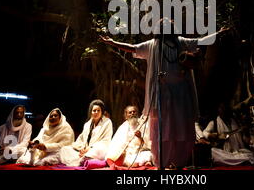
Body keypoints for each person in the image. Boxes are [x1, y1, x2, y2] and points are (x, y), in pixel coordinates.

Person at [100, 18, 229, 169]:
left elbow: (201, 41)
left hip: (181, 93)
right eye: (162, 25)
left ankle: (179, 162)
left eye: (167, 25)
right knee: (161, 130)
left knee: (181, 128)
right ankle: (163, 162)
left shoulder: (181, 42)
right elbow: (132, 48)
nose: (164, 27)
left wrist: (218, 34)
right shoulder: (152, 45)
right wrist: (112, 43)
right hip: (161, 94)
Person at [59, 100, 113, 167]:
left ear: (101, 112)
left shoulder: (107, 122)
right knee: (64, 149)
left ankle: (85, 158)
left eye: (98, 110)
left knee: (100, 149)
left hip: (96, 149)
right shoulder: (87, 124)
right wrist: (82, 148)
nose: (96, 112)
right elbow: (81, 139)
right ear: (91, 112)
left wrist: (90, 148)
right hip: (85, 151)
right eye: (94, 110)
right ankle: (84, 159)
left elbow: (106, 140)